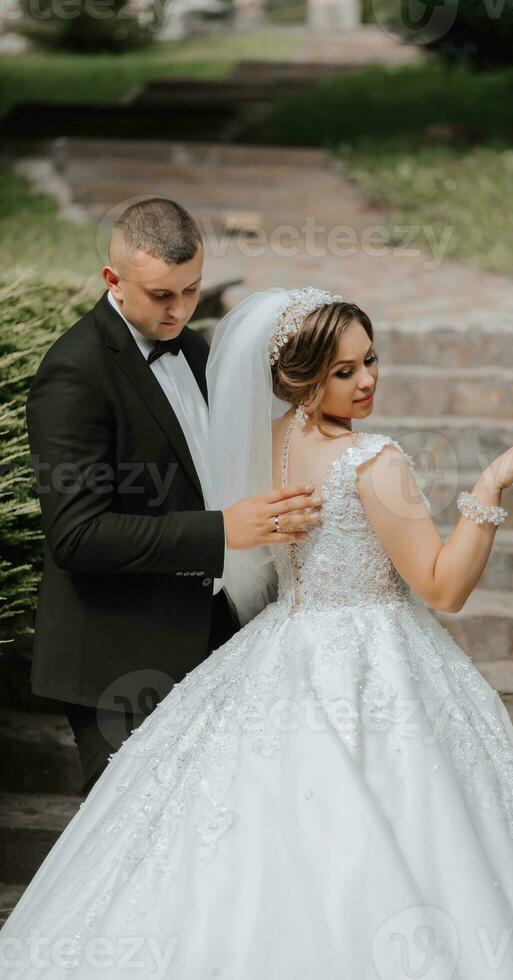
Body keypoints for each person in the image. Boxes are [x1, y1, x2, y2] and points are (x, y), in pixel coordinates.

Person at [1, 286, 513, 979]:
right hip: (376, 658)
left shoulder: (258, 447)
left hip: (278, 647)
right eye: (344, 371)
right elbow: (445, 587)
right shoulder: (374, 462)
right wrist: (491, 485)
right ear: (301, 377)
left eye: (371, 361)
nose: (368, 382)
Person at [24, 200, 322, 795]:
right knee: (127, 847)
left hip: (204, 633)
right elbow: (76, 536)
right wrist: (220, 532)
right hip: (116, 659)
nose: (179, 310)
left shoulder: (191, 349)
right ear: (113, 280)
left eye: (191, 290)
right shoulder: (75, 373)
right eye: (161, 294)